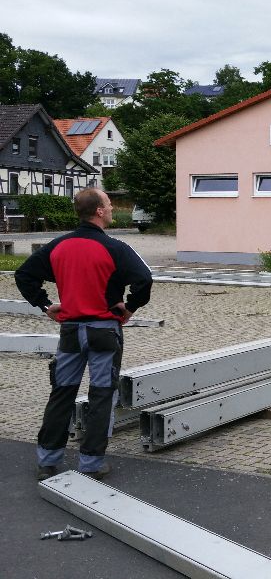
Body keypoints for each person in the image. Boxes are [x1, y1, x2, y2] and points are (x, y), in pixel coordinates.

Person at [15, 188, 153, 481]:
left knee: (61, 393)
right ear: (99, 211)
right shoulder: (116, 248)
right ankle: (91, 463)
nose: (112, 208)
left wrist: (45, 305)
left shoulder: (58, 246)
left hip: (70, 333)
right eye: (109, 204)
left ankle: (47, 461)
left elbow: (24, 275)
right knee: (101, 396)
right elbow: (144, 279)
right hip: (104, 332)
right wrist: (129, 307)